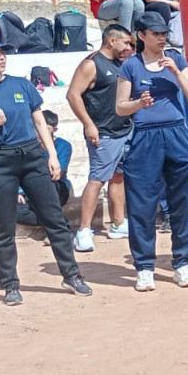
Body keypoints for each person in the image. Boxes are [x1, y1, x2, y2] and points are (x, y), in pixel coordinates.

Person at [0, 37, 92, 305]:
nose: (1, 57)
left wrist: (52, 155)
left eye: (2, 52)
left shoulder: (21, 84)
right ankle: (10, 284)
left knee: (54, 219)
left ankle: (71, 274)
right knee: (3, 227)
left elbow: (39, 121)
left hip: (32, 155)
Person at [116, 11, 188, 291]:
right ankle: (144, 267)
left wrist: (176, 73)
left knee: (184, 202)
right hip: (145, 137)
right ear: (141, 36)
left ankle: (182, 263)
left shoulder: (176, 59)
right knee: (142, 204)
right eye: (155, 33)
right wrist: (138, 105)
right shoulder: (130, 66)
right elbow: (120, 107)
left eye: (164, 33)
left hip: (178, 133)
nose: (161, 37)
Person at [66, 24, 133, 252]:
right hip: (102, 133)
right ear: (111, 41)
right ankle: (84, 230)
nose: (129, 48)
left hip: (123, 130)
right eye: (125, 43)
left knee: (118, 176)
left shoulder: (119, 64)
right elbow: (73, 95)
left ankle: (118, 223)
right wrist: (89, 125)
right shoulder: (91, 64)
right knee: (97, 179)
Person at [14, 110, 73, 228]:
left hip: (55, 186)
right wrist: (17, 191)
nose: (40, 133)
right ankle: (60, 222)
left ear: (54, 130)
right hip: (29, 189)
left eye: (47, 130)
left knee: (44, 194)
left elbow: (57, 174)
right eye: (36, 129)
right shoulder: (26, 146)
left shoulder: (63, 145)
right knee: (17, 212)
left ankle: (57, 227)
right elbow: (18, 171)